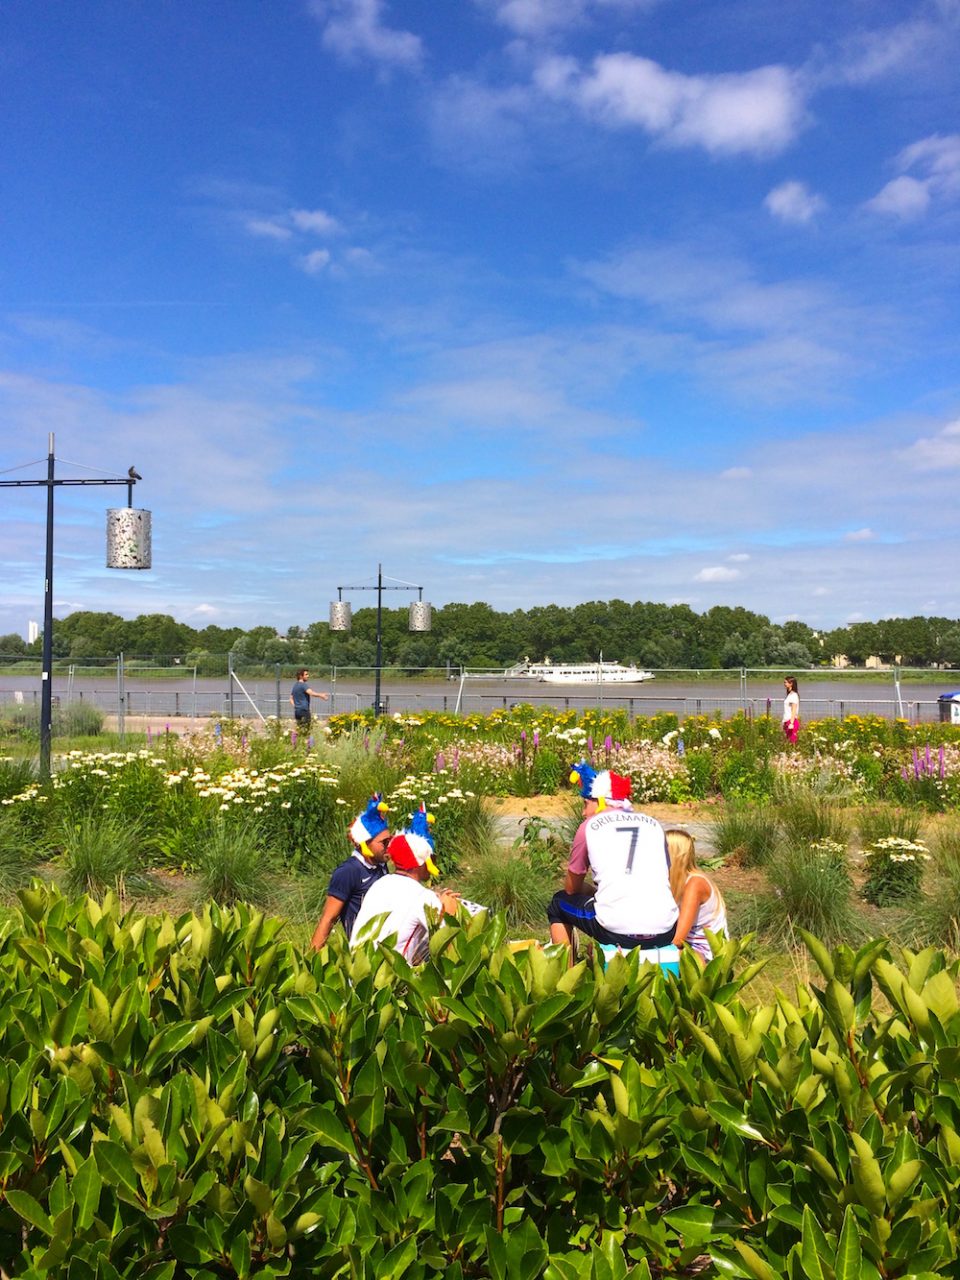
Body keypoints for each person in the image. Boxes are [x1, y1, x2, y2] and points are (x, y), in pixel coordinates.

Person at [547, 762, 678, 957]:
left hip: (616, 931)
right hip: (666, 930)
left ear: (600, 801)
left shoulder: (589, 826)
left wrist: (591, 891)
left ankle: (565, 975)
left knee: (558, 904)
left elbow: (571, 889)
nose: (583, 812)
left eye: (585, 804)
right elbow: (667, 876)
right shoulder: (654, 824)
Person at [351, 805, 460, 963]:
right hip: (387, 979)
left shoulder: (380, 884)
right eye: (433, 859)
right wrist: (449, 911)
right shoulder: (423, 897)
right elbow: (448, 944)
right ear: (423, 862)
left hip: (356, 973)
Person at [310, 794, 391, 949]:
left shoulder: (380, 865)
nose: (389, 845)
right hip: (364, 950)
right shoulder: (348, 871)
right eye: (384, 842)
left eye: (390, 839)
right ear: (364, 844)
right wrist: (309, 963)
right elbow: (329, 918)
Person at [666, 828, 728, 964]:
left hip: (706, 953)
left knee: (650, 956)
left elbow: (678, 939)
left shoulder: (695, 884)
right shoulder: (672, 881)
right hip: (688, 947)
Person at [782, 676, 800, 744]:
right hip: (787, 720)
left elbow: (794, 710)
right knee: (788, 741)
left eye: (785, 682)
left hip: (791, 721)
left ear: (791, 683)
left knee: (792, 741)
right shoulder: (789, 695)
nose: (784, 684)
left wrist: (791, 723)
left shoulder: (794, 695)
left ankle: (794, 753)